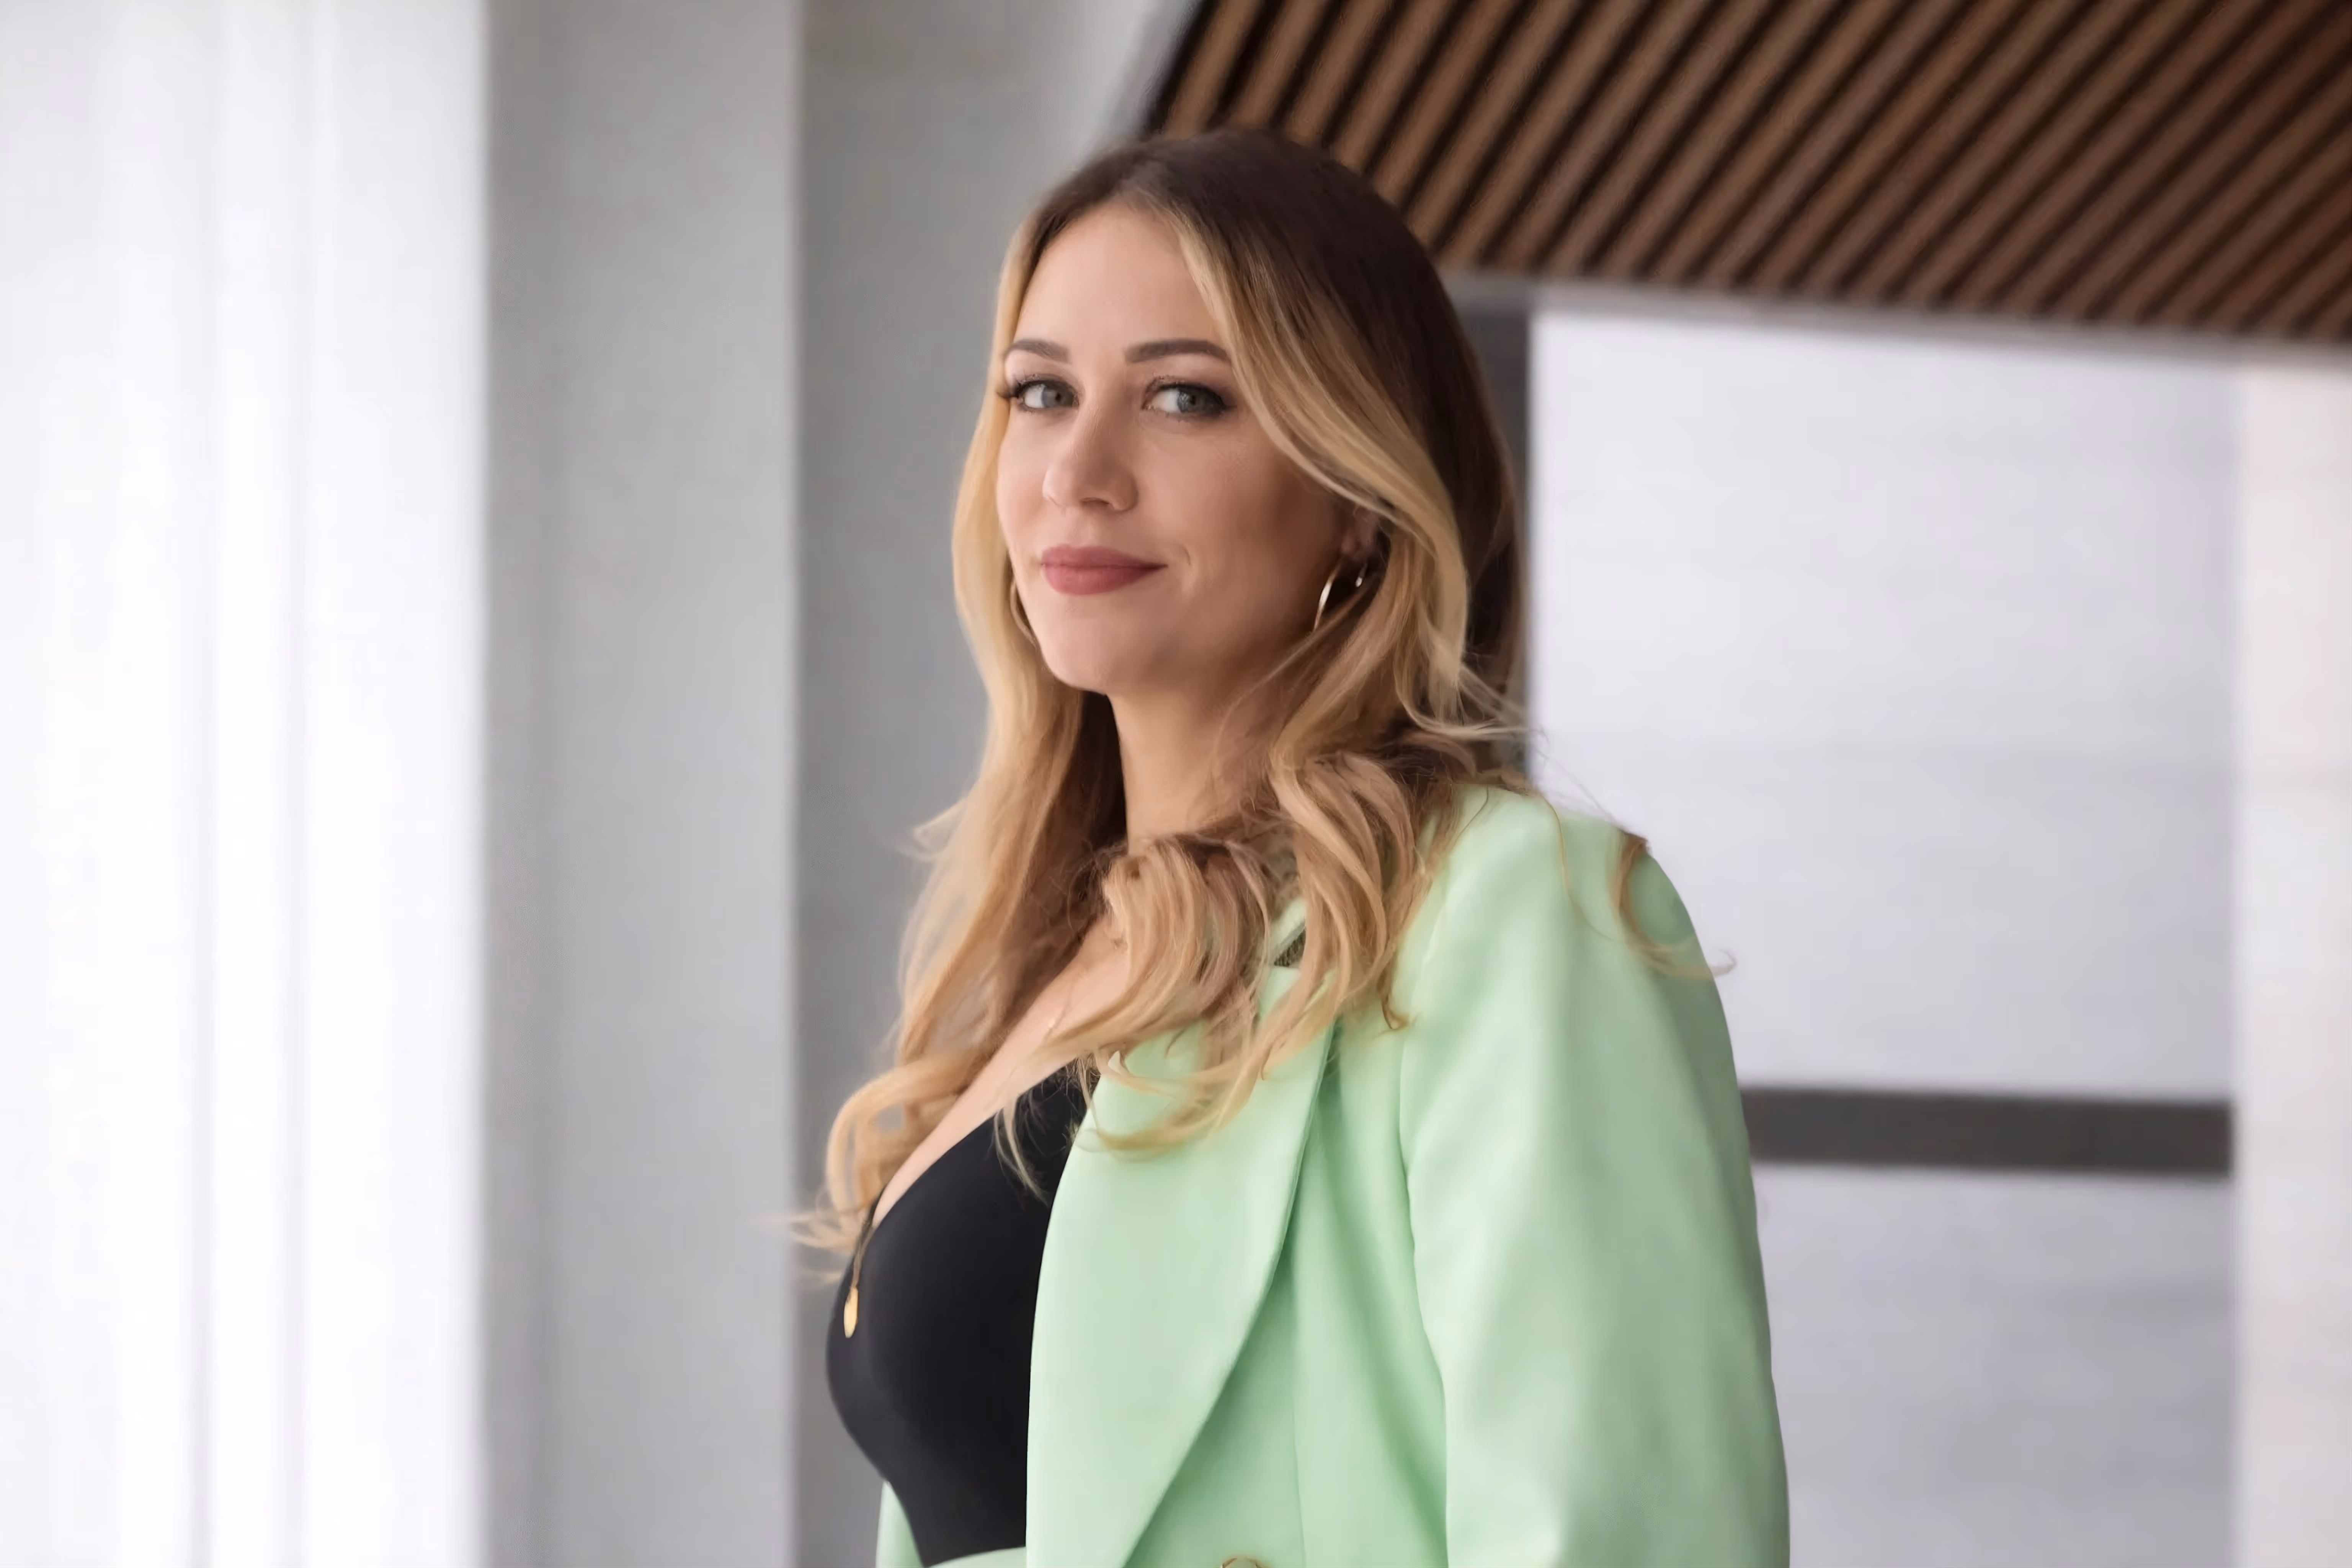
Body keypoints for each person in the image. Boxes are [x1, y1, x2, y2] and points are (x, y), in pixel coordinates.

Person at [804, 127, 1787, 1568]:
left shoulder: (1516, 915)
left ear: (1357, 498)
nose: (1077, 469)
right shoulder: (1040, 966)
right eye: (1038, 394)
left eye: (1186, 398)